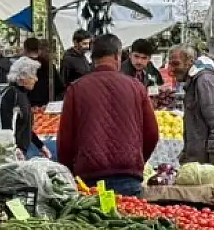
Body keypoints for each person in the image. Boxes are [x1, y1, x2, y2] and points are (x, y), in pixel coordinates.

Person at [58, 33, 159, 195]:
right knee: (129, 219)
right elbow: (152, 134)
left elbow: (65, 139)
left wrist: (70, 172)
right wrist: (136, 160)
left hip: (89, 178)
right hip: (128, 176)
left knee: (96, 219)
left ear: (92, 57)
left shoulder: (77, 89)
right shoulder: (136, 87)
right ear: (117, 56)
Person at [0, 58, 46, 158]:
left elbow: (25, 126)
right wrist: (15, 148)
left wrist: (41, 146)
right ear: (22, 78)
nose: (36, 79)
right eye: (33, 75)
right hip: (13, 154)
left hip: (20, 153)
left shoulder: (23, 94)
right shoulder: (12, 94)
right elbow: (7, 125)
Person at [20, 36, 52, 106]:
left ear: (25, 50)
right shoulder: (49, 66)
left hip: (28, 105)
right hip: (46, 105)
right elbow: (59, 88)